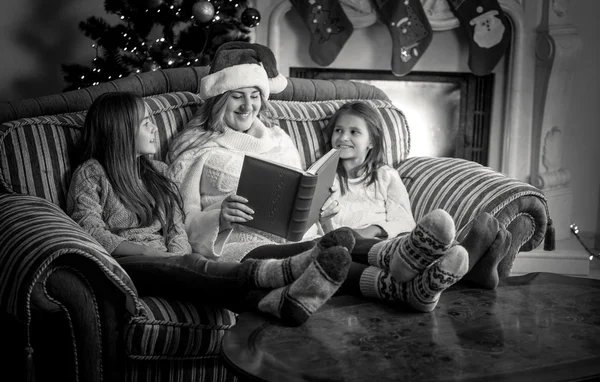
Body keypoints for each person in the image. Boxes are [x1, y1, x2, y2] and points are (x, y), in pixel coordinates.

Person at [166, 41, 477, 313]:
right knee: (326, 252)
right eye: (237, 96)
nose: (249, 106)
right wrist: (218, 219)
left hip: (300, 236)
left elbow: (298, 188)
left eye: (255, 95)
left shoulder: (278, 138)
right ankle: (395, 255)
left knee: (328, 251)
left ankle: (411, 289)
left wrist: (320, 205)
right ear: (219, 97)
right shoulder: (195, 147)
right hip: (240, 248)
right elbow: (178, 220)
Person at [66, 91, 354, 327]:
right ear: (119, 131)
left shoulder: (158, 172)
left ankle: (307, 265)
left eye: (152, 120)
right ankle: (281, 275)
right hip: (129, 266)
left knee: (191, 264)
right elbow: (89, 230)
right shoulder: (92, 174)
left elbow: (176, 226)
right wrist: (148, 253)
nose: (155, 128)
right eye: (145, 123)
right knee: (198, 267)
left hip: (169, 260)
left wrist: (176, 254)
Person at [321, 101, 513, 290]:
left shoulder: (385, 175)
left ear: (371, 141)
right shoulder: (324, 179)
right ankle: (471, 267)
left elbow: (405, 222)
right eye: (338, 130)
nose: (343, 137)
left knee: (422, 245)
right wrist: (343, 231)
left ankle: (466, 259)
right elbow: (320, 232)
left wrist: (374, 229)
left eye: (354, 132)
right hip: (353, 248)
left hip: (390, 240)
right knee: (389, 255)